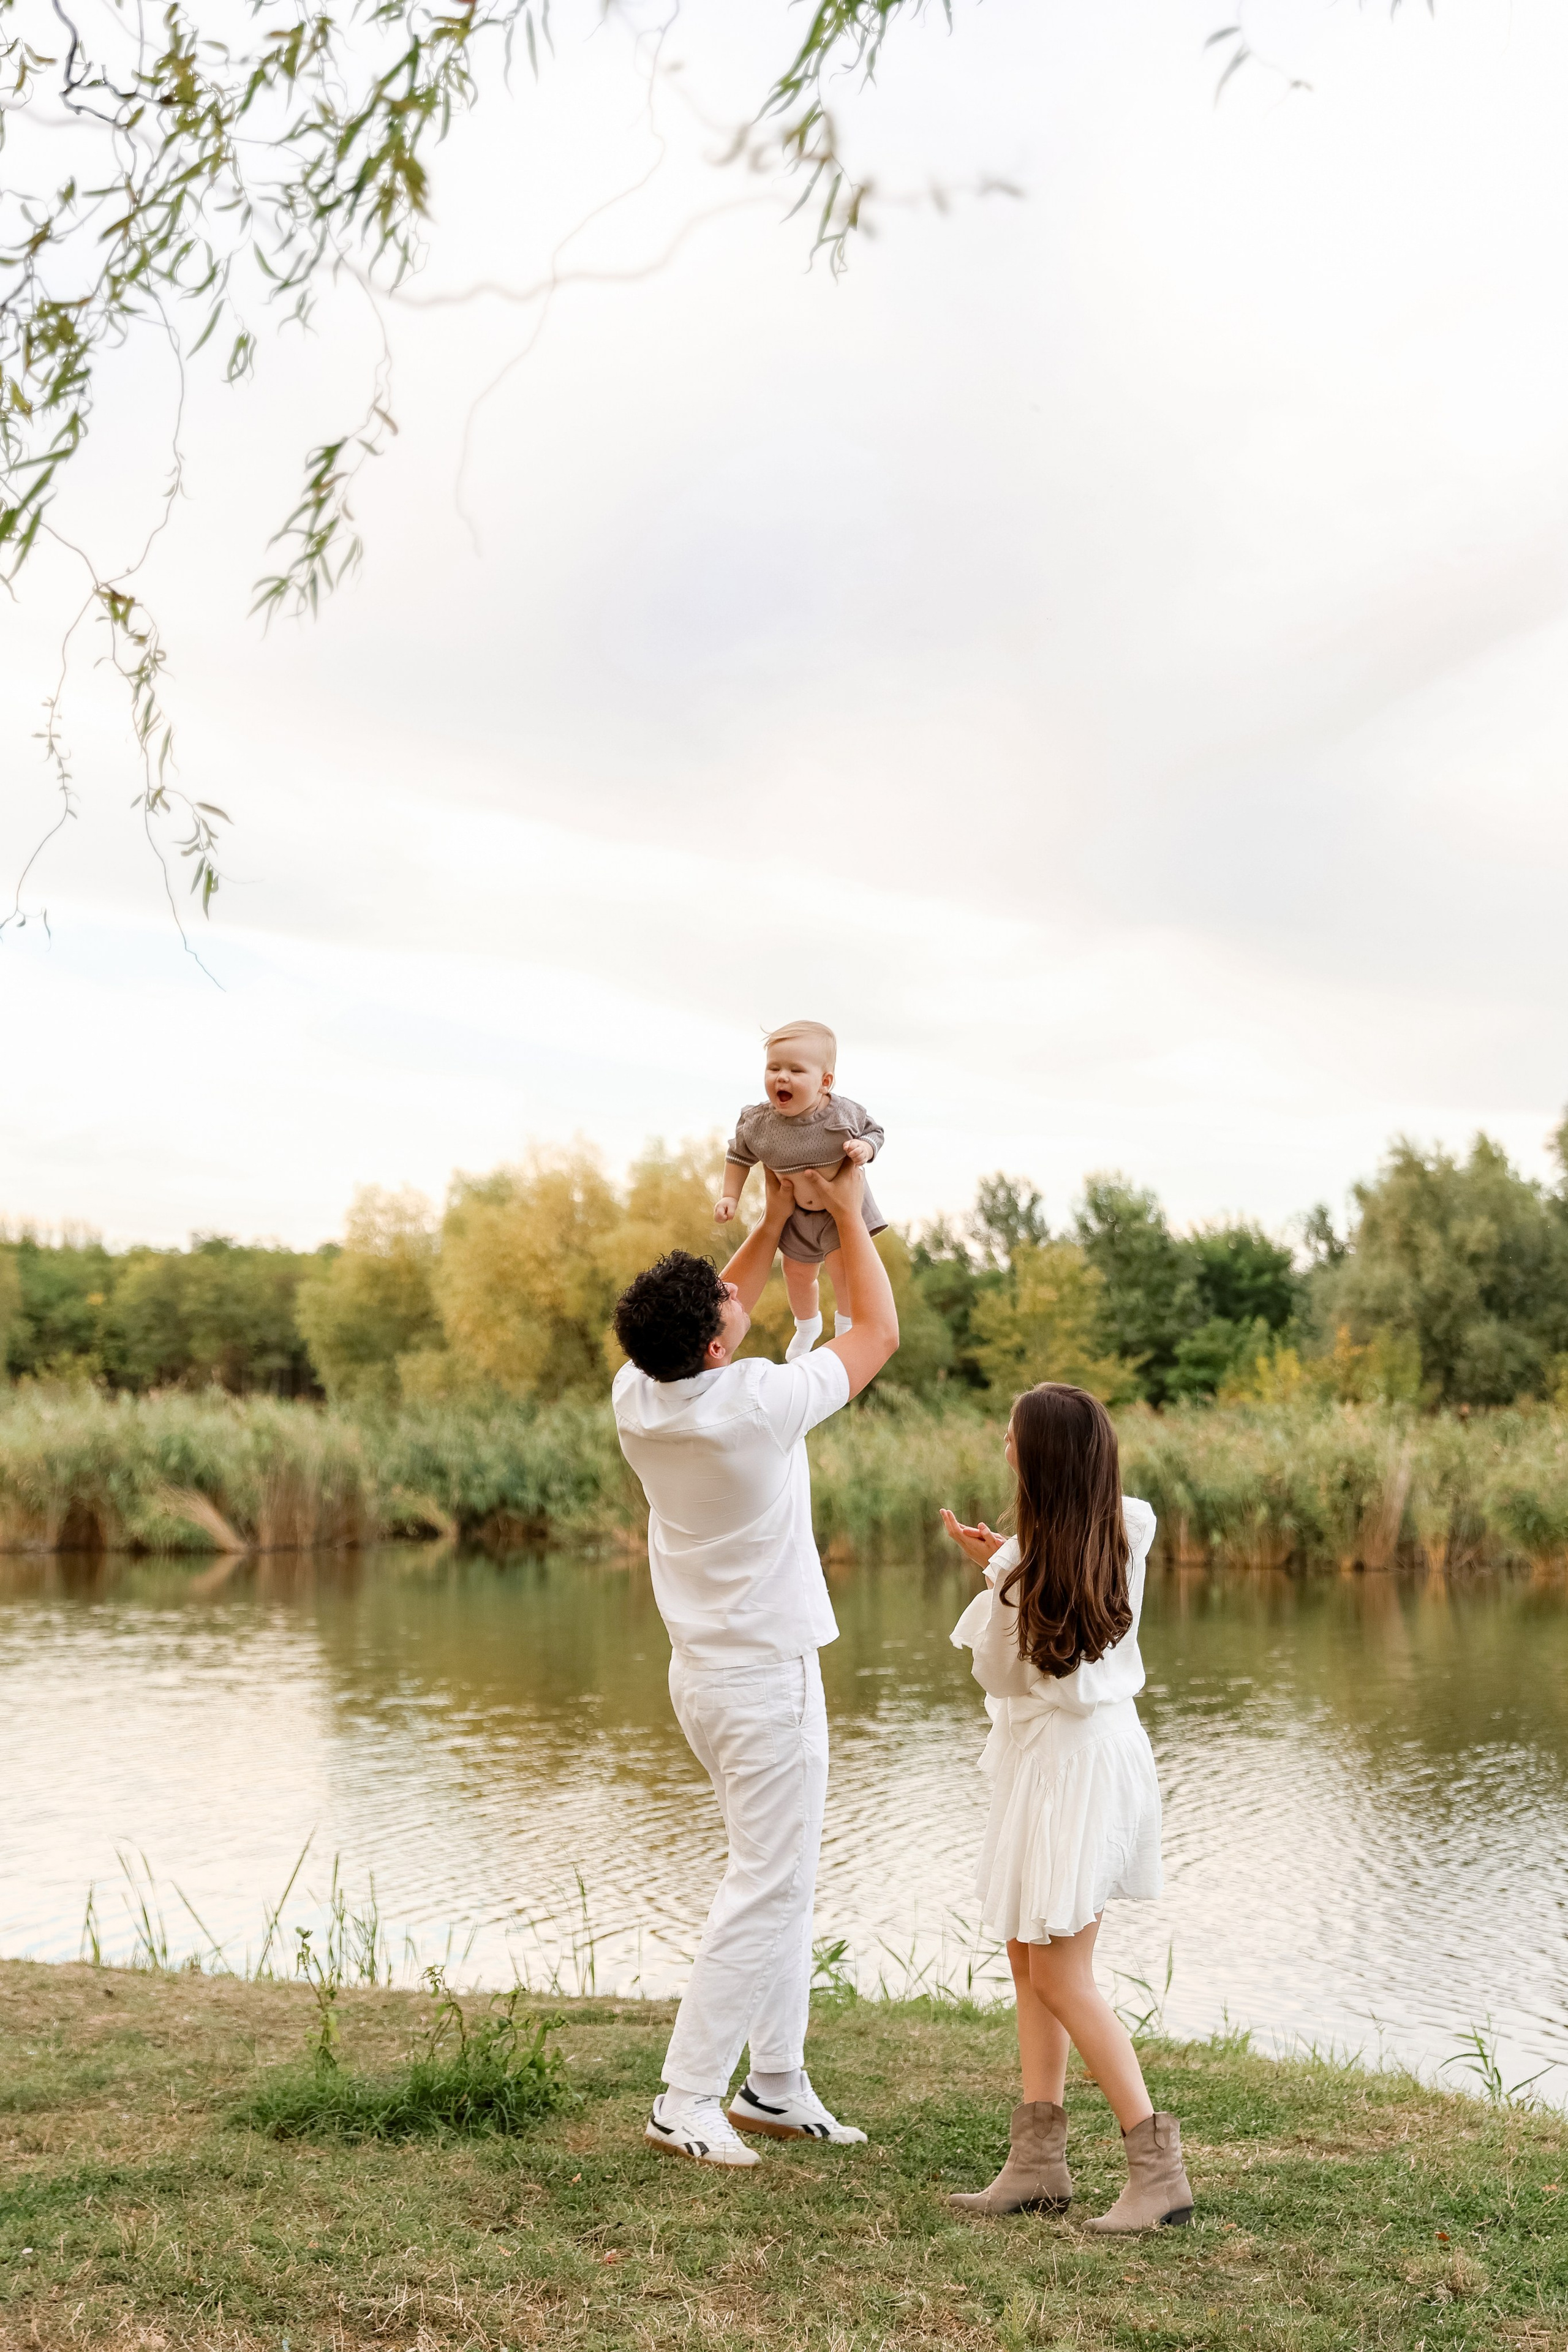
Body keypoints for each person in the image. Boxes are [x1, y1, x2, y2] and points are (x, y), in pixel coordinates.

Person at [611, 1158, 899, 2168]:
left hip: (707, 1676)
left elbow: (706, 1316)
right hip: (765, 1681)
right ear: (715, 1345)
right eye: (729, 1301)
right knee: (766, 1883)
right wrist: (849, 1216)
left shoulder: (637, 1396)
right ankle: (685, 2097)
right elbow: (879, 1335)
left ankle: (775, 2083)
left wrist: (775, 1218)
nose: (745, 1286)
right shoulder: (757, 1406)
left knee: (784, 1878)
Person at [941, 1382, 1193, 2232]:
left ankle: (1157, 2170)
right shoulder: (1127, 1528)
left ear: (1036, 1461)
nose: (1003, 1444)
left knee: (1058, 1973)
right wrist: (1014, 1545)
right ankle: (1037, 2164)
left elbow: (1000, 1674)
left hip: (1066, 1767)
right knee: (1026, 1958)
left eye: (1012, 1436)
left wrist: (1000, 1559)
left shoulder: (1021, 1572)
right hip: (1084, 1757)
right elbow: (1101, 1509)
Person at [713, 1019, 886, 1363]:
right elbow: (738, 1155)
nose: (782, 1077)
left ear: (825, 1083)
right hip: (795, 1214)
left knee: (843, 1271)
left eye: (796, 1070)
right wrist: (730, 1195)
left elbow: (875, 1131)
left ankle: (846, 1326)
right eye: (774, 1067)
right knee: (797, 1273)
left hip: (840, 1212)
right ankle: (807, 1324)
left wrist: (865, 1149)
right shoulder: (759, 1123)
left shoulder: (842, 1113)